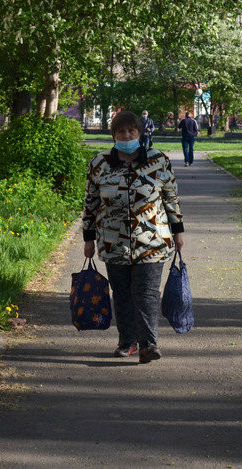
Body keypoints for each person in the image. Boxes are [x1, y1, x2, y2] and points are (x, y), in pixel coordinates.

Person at [82, 110, 185, 364]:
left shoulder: (158, 160)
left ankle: (148, 344)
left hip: (152, 241)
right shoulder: (100, 163)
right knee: (122, 293)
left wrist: (178, 230)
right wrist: (87, 237)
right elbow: (91, 203)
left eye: (131, 131)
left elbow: (171, 199)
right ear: (114, 135)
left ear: (139, 133)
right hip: (112, 241)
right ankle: (127, 341)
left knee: (146, 293)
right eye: (120, 132)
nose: (126, 135)